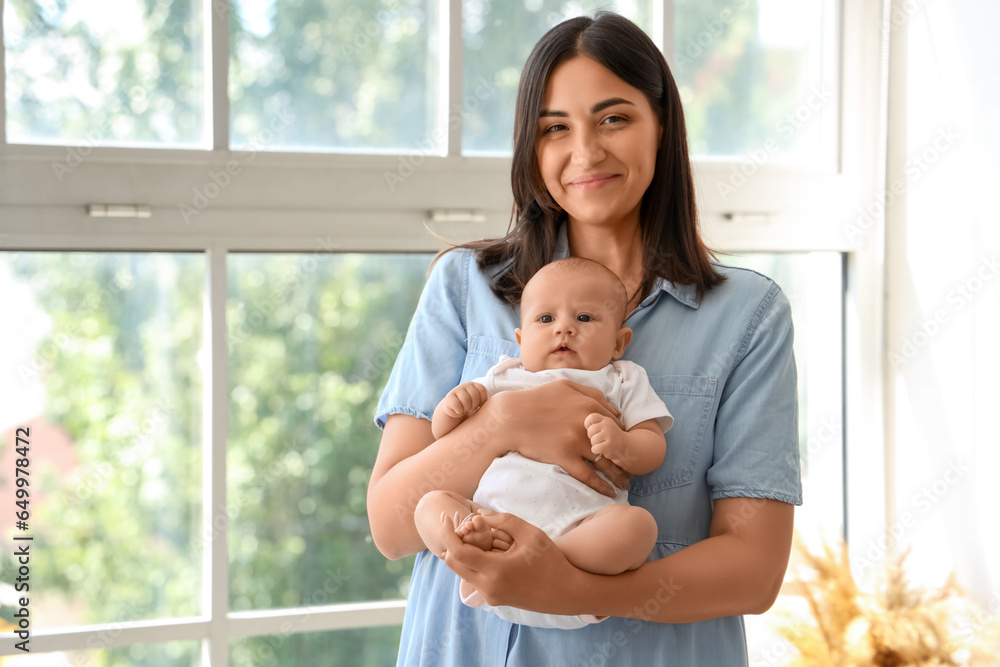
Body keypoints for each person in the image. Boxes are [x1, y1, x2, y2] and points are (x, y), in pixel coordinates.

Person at [368, 10, 801, 665]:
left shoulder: (747, 314)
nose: (585, 152)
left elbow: (753, 568)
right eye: (555, 129)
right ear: (530, 146)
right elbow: (392, 525)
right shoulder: (465, 286)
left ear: (662, 125)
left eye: (614, 118)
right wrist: (507, 421)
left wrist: (572, 587)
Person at [413, 257, 673, 630]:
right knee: (429, 505)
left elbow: (653, 447)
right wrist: (453, 408)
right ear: (521, 340)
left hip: (575, 541)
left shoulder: (622, 380)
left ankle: (541, 562)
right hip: (491, 520)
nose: (564, 328)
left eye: (584, 318)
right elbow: (445, 435)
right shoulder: (505, 377)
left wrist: (622, 444)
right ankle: (472, 544)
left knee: (638, 528)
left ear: (619, 342)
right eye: (546, 319)